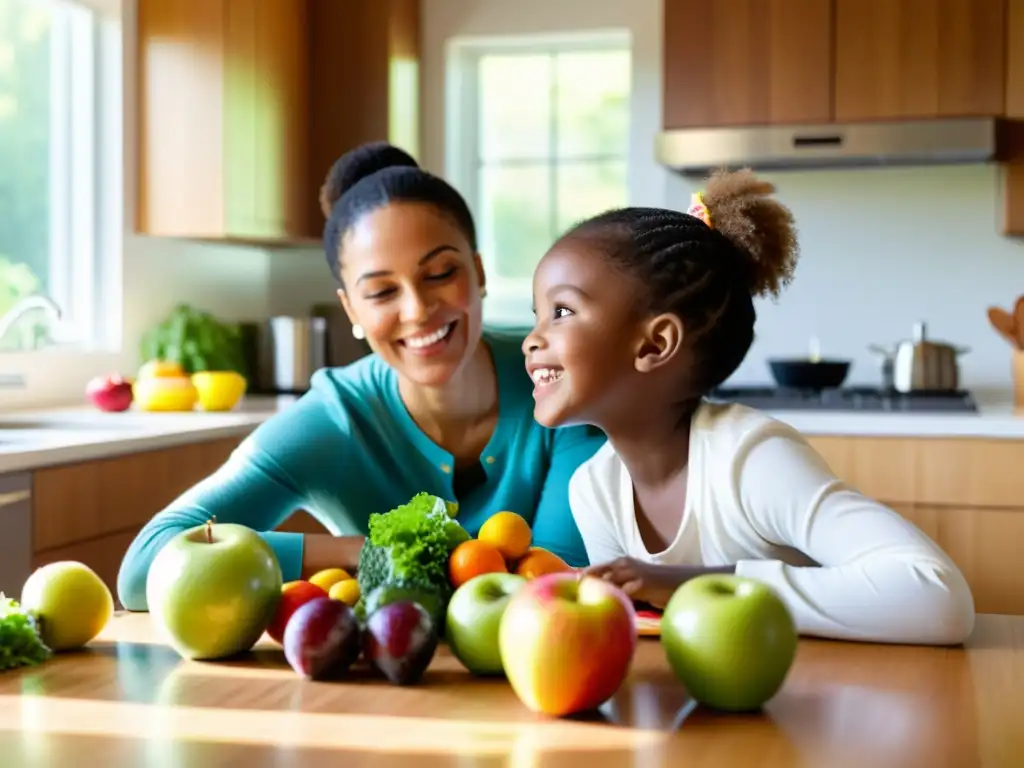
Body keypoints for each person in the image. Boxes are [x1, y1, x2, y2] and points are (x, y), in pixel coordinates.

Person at [117, 142, 605, 612]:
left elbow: (559, 581)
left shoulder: (557, 373)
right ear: (350, 306)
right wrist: (360, 550)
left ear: (477, 272)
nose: (417, 310)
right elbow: (143, 570)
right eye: (381, 291)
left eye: (440, 273)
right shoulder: (336, 418)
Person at [522, 169, 976, 646]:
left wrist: (691, 584)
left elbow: (938, 595)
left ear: (655, 344)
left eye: (562, 312)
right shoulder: (595, 490)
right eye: (537, 315)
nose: (533, 340)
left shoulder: (750, 460)